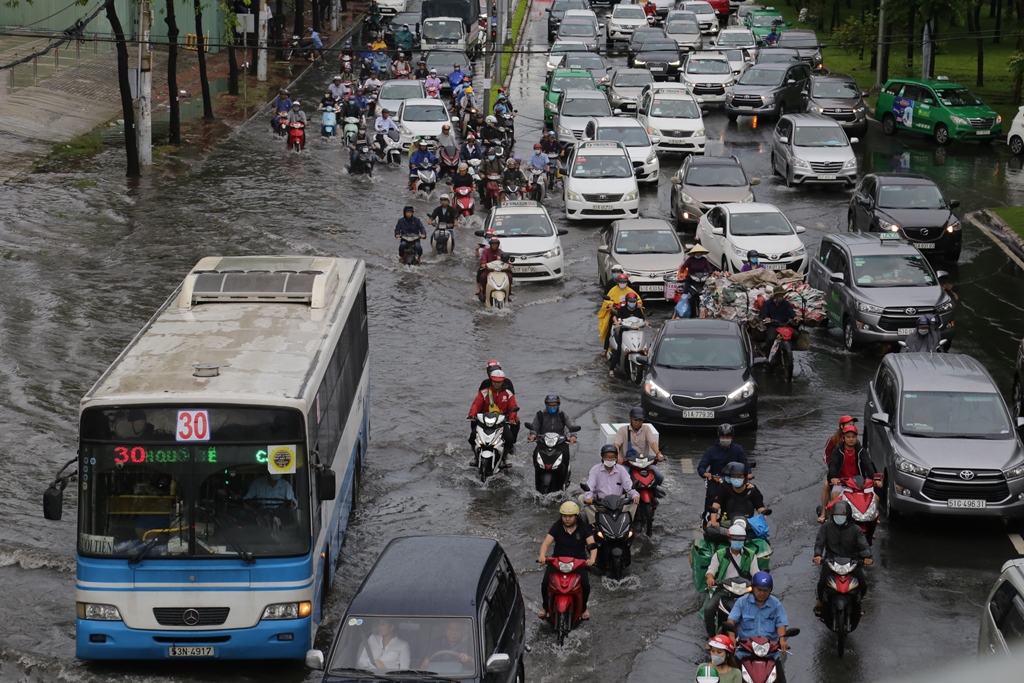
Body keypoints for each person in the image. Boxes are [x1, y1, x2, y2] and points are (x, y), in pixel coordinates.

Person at [537, 501, 597, 620]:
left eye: (570, 516)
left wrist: (592, 559)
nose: (567, 519)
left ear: (576, 516)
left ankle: (584, 607)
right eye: (564, 516)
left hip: (578, 564)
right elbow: (546, 543)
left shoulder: (583, 528)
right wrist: (542, 556)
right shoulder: (557, 526)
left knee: (585, 585)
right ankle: (545, 606)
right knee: (545, 583)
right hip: (557, 562)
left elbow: (592, 545)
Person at [813, 499, 873, 617]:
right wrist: (818, 555)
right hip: (830, 561)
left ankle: (858, 603)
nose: (839, 518)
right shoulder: (826, 528)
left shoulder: (855, 529)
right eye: (836, 515)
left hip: (851, 561)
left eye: (842, 515)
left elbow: (863, 544)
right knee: (821, 584)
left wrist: (867, 556)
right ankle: (820, 601)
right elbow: (819, 543)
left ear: (848, 515)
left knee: (863, 584)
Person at [704, 524, 764, 640]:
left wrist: (759, 583)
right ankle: (711, 637)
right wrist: (710, 578)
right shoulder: (720, 554)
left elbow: (756, 573)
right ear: (729, 539)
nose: (738, 542)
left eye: (741, 540)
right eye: (735, 539)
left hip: (744, 589)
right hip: (724, 588)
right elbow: (710, 571)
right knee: (709, 609)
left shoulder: (750, 555)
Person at [725, 572, 789, 660]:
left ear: (770, 590)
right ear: (753, 588)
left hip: (769, 653)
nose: (762, 593)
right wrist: (731, 638)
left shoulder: (775, 604)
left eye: (765, 590)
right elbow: (731, 620)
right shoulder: (742, 602)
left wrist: (782, 640)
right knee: (734, 672)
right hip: (745, 652)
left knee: (780, 674)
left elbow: (781, 624)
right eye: (759, 589)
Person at [697, 424, 750, 527]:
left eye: (727, 437)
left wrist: (748, 474)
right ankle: (706, 519)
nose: (725, 439)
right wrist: (705, 473)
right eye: (723, 437)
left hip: (733, 480)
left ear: (732, 438)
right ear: (719, 437)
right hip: (716, 481)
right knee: (711, 497)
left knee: (742, 498)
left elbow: (745, 464)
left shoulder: (738, 450)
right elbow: (701, 467)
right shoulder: (711, 451)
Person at [467, 369, 519, 467]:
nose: (496, 384)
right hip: (484, 421)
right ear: (491, 381)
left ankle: (504, 457)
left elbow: (513, 407)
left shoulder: (508, 393)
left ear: (503, 382)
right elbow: (476, 404)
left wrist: (512, 417)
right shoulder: (484, 392)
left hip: (501, 421)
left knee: (509, 439)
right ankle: (475, 456)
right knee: (472, 438)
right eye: (494, 381)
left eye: (499, 382)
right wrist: (472, 414)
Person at [579, 444, 639, 525]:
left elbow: (629, 486)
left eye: (612, 457)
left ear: (616, 458)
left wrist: (635, 495)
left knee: (635, 498)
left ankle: (628, 522)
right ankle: (594, 521)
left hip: (618, 502)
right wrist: (589, 497)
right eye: (607, 456)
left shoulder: (621, 469)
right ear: (602, 457)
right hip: (600, 502)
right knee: (581, 498)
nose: (609, 459)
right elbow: (590, 486)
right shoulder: (595, 469)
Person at [825, 423, 882, 505]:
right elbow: (832, 464)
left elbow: (868, 463)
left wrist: (875, 478)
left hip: (859, 483)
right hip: (842, 482)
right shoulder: (837, 450)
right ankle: (834, 517)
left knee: (875, 498)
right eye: (848, 437)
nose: (851, 439)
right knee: (835, 495)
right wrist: (833, 477)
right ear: (843, 438)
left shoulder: (861, 450)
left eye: (853, 437)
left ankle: (874, 518)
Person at [817, 415, 857, 522]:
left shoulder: (855, 441)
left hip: (851, 474)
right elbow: (826, 456)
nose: (851, 427)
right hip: (836, 473)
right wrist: (833, 469)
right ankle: (824, 513)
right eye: (849, 424)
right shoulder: (833, 440)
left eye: (853, 425)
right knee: (826, 484)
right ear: (842, 426)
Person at [613, 407, 665, 484]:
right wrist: (618, 457)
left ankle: (654, 490)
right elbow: (616, 445)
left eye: (640, 420)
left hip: (644, 463)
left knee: (660, 476)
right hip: (627, 463)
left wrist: (658, 453)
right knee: (623, 478)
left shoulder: (646, 429)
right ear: (630, 419)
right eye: (635, 420)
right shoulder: (622, 430)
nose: (638, 422)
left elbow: (652, 443)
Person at [708, 462, 765, 527]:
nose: (736, 479)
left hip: (748, 525)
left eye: (739, 477)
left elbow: (761, 509)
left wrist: (763, 522)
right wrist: (713, 521)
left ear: (745, 478)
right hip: (726, 525)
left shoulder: (752, 490)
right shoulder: (723, 488)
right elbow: (715, 506)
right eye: (734, 477)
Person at [598, 272, 643, 350]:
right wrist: (611, 305)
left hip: (627, 312)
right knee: (609, 328)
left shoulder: (630, 291)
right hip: (616, 313)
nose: (623, 283)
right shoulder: (613, 290)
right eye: (621, 282)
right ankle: (606, 348)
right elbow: (608, 300)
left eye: (624, 282)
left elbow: (638, 299)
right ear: (618, 282)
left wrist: (639, 303)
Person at [608, 292, 647, 377]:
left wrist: (646, 323)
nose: (632, 303)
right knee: (618, 350)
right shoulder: (622, 309)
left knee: (645, 348)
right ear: (626, 301)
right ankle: (612, 369)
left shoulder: (637, 309)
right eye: (630, 301)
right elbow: (615, 316)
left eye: (634, 301)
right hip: (624, 331)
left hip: (636, 331)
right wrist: (617, 322)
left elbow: (642, 319)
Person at [675, 244, 715, 319]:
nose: (698, 254)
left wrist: (710, 274)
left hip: (701, 280)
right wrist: (683, 274)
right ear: (694, 253)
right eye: (697, 252)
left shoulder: (704, 260)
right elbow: (683, 267)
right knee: (685, 294)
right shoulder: (690, 260)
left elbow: (709, 269)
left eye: (700, 252)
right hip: (691, 279)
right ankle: (684, 310)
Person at [759, 286, 799, 356]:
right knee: (771, 337)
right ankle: (767, 354)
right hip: (773, 325)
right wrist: (766, 317)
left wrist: (795, 317)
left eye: (782, 295)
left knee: (796, 334)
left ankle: (789, 347)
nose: (781, 297)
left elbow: (791, 312)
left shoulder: (786, 304)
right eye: (779, 295)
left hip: (784, 325)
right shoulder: (768, 303)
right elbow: (763, 313)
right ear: (775, 295)